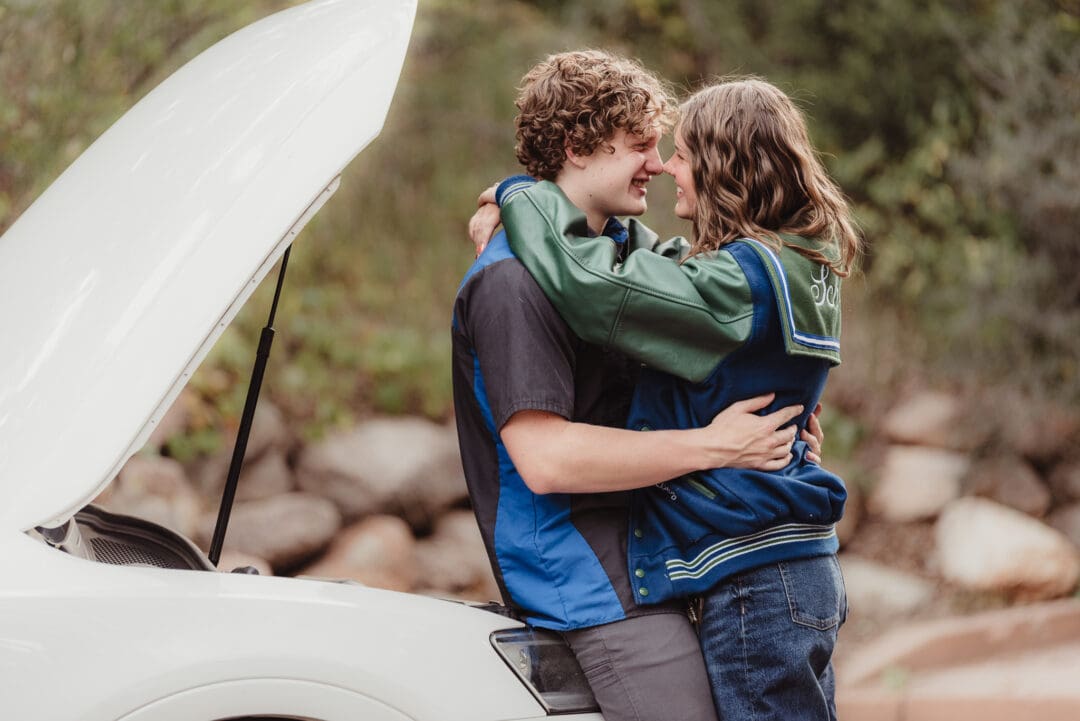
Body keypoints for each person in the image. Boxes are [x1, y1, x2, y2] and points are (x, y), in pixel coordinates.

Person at [452, 53, 820, 721]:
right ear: (577, 148)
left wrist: (785, 426)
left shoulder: (622, 258)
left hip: (658, 551)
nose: (658, 163)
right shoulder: (512, 283)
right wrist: (715, 446)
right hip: (587, 575)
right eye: (641, 146)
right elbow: (548, 459)